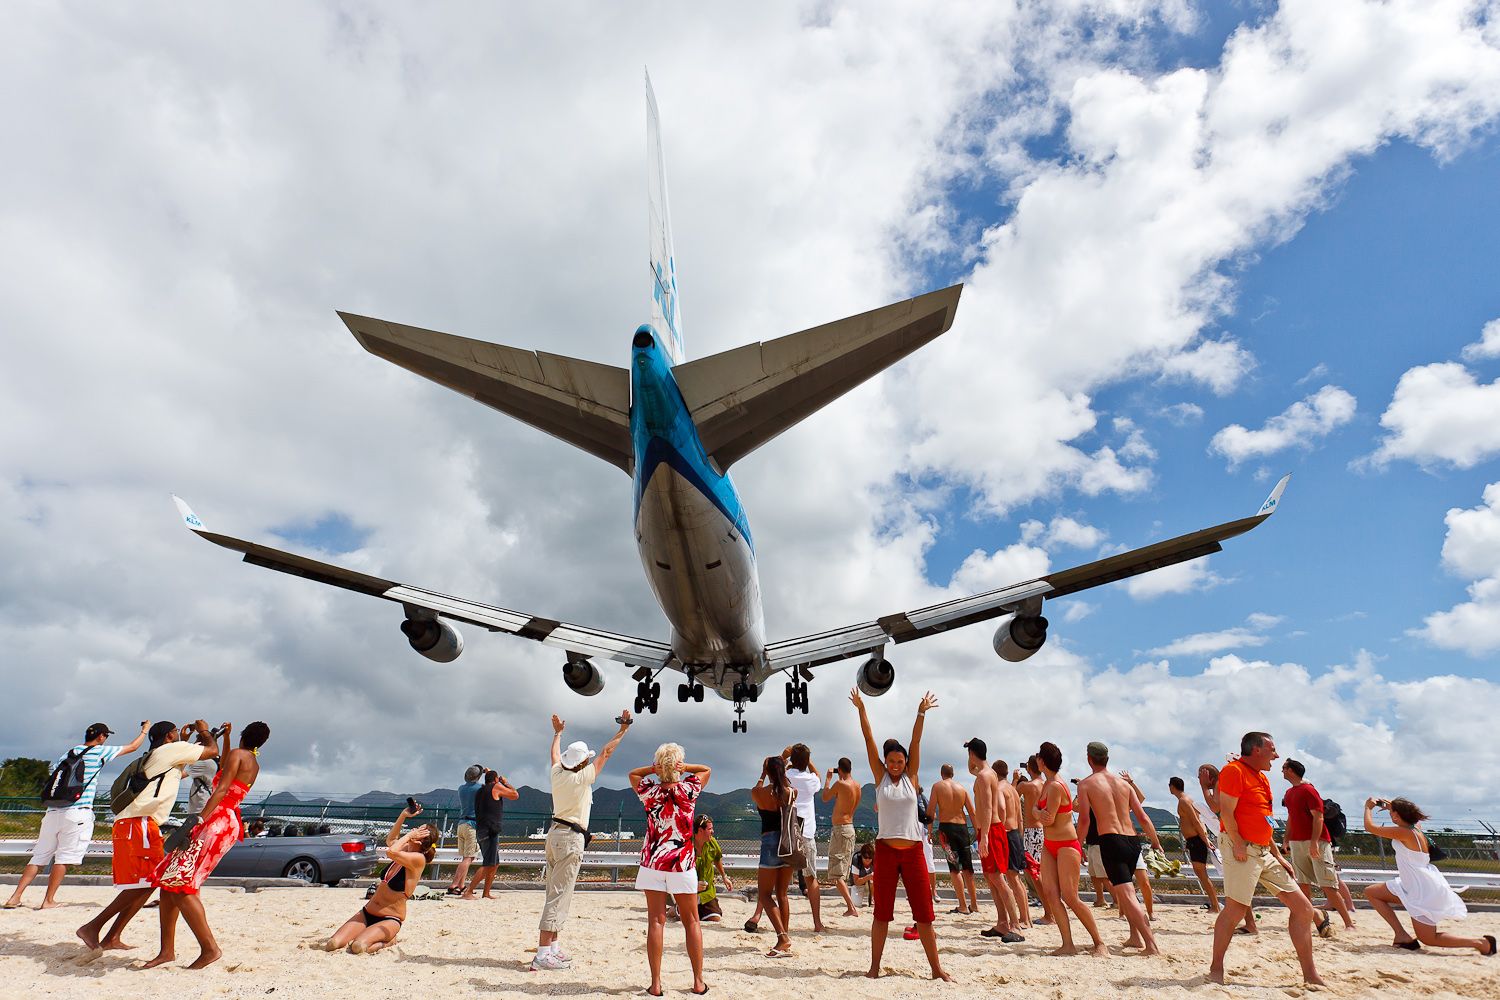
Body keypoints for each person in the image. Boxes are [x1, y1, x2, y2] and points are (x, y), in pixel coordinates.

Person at [77, 721, 219, 951]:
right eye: (174, 732)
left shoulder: (161, 754)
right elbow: (213, 751)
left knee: (147, 883)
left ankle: (112, 936)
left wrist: (184, 740)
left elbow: (183, 765)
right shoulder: (170, 751)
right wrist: (204, 730)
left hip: (140, 823)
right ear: (169, 736)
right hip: (139, 823)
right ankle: (92, 927)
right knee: (148, 882)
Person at [145, 721, 270, 970]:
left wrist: (198, 819)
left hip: (216, 820)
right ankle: (166, 951)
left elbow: (222, 788)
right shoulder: (251, 761)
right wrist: (225, 739)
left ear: (245, 735)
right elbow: (224, 766)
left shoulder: (238, 755)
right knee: (170, 883)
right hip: (228, 822)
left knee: (181, 882)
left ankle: (209, 949)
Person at [1207, 732, 1327, 987]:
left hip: (1262, 850)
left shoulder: (1261, 777)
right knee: (1236, 909)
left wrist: (1276, 855)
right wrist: (1238, 844)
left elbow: (1264, 820)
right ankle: (1216, 969)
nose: (1277, 754)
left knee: (1304, 909)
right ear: (1256, 750)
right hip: (1241, 847)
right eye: (1273, 749)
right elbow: (1226, 812)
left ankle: (1311, 975)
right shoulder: (1234, 771)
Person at [851, 687, 952, 982]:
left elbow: (916, 740)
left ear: (906, 763)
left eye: (900, 761)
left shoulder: (912, 777)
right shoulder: (880, 777)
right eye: (891, 761)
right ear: (885, 762)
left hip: (912, 852)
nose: (896, 765)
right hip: (885, 851)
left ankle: (936, 969)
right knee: (881, 913)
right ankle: (874, 967)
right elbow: (869, 740)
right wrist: (861, 709)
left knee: (924, 914)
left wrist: (921, 712)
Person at [5, 721, 149, 911]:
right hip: (77, 813)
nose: (105, 740)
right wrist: (145, 730)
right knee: (63, 858)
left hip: (53, 811)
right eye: (106, 736)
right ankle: (48, 900)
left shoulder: (69, 753)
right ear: (100, 737)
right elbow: (133, 747)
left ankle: (15, 897)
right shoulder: (99, 752)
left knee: (38, 858)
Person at [533, 711, 632, 972]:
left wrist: (557, 733)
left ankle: (552, 948)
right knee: (558, 895)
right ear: (582, 763)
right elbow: (605, 754)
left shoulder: (558, 773)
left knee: (555, 892)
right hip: (570, 838)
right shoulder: (582, 777)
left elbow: (554, 755)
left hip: (555, 834)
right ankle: (542, 954)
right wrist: (623, 730)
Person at [1362, 797, 1495, 957]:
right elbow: (1413, 819)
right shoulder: (1414, 828)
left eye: (1392, 813)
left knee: (1429, 939)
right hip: (1411, 883)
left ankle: (1481, 943)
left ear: (1397, 816)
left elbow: (1370, 827)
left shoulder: (1404, 832)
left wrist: (1368, 808)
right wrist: (1393, 807)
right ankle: (1402, 935)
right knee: (1372, 892)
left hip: (1421, 889)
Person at [628, 743, 711, 997]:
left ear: (658, 766)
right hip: (682, 862)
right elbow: (706, 770)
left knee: (656, 921)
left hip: (653, 862)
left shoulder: (649, 791)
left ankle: (655, 984)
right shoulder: (688, 789)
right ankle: (698, 982)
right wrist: (686, 768)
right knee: (692, 921)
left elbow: (633, 774)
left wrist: (654, 770)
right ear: (678, 765)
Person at [1074, 742, 1164, 955]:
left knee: (1127, 894)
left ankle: (1150, 944)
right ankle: (1135, 936)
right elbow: (1142, 816)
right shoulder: (1124, 785)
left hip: (1111, 840)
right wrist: (1155, 841)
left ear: (1089, 759)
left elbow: (1085, 820)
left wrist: (1077, 845)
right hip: (1132, 840)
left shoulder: (1086, 785)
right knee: (1127, 893)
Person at [323, 805, 436, 954]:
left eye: (419, 830)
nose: (414, 830)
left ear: (422, 840)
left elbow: (391, 852)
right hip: (367, 912)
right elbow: (390, 841)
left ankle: (389, 941)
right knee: (332, 944)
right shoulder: (405, 850)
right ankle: (365, 932)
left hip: (389, 918)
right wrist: (403, 815)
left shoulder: (418, 859)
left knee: (358, 947)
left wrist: (408, 836)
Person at [1034, 741, 1106, 957]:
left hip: (1066, 844)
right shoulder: (1047, 784)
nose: (1036, 758)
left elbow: (1047, 819)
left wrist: (1037, 813)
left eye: (1038, 756)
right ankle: (1067, 944)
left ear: (1042, 761)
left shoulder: (1055, 786)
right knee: (1051, 894)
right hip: (1050, 845)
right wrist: (1038, 813)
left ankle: (1099, 942)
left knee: (1071, 897)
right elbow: (1038, 812)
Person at [1281, 759, 1355, 930]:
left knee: (1328, 884)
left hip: (1318, 842)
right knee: (1303, 883)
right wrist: (1286, 840)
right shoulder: (1289, 793)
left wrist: (1314, 841)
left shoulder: (1309, 790)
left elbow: (1318, 817)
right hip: (1297, 842)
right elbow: (1291, 818)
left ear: (1291, 770)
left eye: (1284, 768)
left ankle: (1348, 923)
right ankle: (1308, 919)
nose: (1282, 771)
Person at [966, 738, 1022, 942]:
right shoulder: (986, 773)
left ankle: (1015, 925)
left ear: (973, 753)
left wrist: (985, 837)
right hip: (988, 830)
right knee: (991, 879)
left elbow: (989, 807)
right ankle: (1002, 923)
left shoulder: (983, 776)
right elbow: (971, 767)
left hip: (992, 830)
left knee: (998, 878)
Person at [748, 754, 797, 955]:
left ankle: (782, 937)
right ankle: (784, 936)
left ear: (767, 772)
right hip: (788, 844)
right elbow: (786, 788)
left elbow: (757, 788)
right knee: (782, 894)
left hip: (769, 842)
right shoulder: (791, 792)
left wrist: (762, 774)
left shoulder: (759, 793)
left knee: (765, 894)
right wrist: (781, 774)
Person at [1199, 763, 1256, 935]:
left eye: (1201, 775)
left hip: (1235, 837)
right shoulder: (1224, 782)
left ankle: (1250, 923)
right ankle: (1250, 922)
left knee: (1238, 883)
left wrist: (1203, 787)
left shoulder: (1219, 783)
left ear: (1208, 775)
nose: (1199, 779)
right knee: (1240, 883)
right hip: (1240, 834)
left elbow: (1216, 807)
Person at [783, 743, 825, 932]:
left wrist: (784, 758)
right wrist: (809, 762)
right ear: (807, 761)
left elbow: (772, 769)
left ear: (792, 760)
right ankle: (817, 922)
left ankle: (780, 923)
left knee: (781, 880)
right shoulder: (810, 780)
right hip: (806, 832)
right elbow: (819, 777)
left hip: (786, 832)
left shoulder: (785, 776)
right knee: (811, 878)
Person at [930, 763, 978, 915]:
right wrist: (977, 831)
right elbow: (972, 812)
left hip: (947, 829)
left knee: (954, 868)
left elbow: (930, 811)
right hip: (962, 828)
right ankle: (974, 905)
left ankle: (963, 905)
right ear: (953, 773)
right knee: (968, 869)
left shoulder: (937, 787)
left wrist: (929, 831)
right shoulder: (962, 788)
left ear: (941, 773)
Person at [463, 769, 519, 899]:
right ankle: (469, 891)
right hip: (490, 830)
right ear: (495, 780)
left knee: (494, 863)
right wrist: (506, 783)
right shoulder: (496, 786)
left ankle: (486, 893)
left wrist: (492, 775)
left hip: (481, 829)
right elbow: (515, 795)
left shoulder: (480, 791)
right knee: (488, 864)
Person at [1170, 776, 1220, 912]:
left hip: (1196, 840)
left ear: (1172, 787)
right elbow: (1199, 820)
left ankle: (1215, 905)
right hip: (1194, 840)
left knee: (1202, 874)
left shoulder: (1184, 801)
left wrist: (1205, 840)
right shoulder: (1187, 800)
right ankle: (1215, 904)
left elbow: (1196, 821)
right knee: (1201, 874)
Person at [821, 757, 862, 917]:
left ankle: (851, 907)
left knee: (837, 874)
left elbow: (825, 797)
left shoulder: (840, 784)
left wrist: (828, 779)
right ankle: (851, 906)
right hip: (849, 828)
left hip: (841, 830)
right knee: (842, 872)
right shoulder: (857, 786)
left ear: (840, 769)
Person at [995, 760, 1033, 929]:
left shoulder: (1000, 789)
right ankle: (1026, 917)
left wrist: (999, 831)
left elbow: (1002, 811)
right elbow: (1020, 818)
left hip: (1008, 833)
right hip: (1016, 833)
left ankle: (1024, 918)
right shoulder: (1013, 790)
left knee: (1013, 878)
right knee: (1016, 878)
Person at [1019, 755, 1052, 925]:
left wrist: (1015, 780)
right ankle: (1050, 910)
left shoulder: (1028, 785)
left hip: (1032, 832)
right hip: (1044, 831)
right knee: (1042, 872)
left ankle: (1049, 913)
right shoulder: (1047, 785)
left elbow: (1009, 793)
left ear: (1029, 768)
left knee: (1034, 873)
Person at [448, 764, 484, 895]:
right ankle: (454, 884)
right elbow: (488, 787)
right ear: (478, 777)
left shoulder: (461, 789)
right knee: (469, 857)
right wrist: (486, 773)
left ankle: (462, 885)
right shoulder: (480, 788)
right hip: (472, 825)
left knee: (466, 857)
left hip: (461, 824)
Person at [692, 815, 730, 922]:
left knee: (715, 918)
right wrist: (693, 885)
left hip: (707, 893)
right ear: (700, 830)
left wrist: (724, 877)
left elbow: (717, 859)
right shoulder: (687, 845)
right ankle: (673, 909)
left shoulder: (712, 843)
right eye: (709, 829)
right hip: (689, 891)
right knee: (687, 917)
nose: (712, 831)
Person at [850, 841, 876, 907]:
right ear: (861, 855)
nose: (868, 860)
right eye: (865, 857)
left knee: (874, 879)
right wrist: (868, 877)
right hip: (859, 882)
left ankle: (872, 898)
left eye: (870, 858)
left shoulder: (876, 859)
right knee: (856, 904)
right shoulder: (856, 859)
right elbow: (856, 882)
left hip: (872, 883)